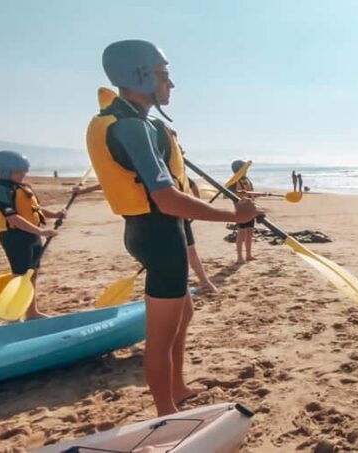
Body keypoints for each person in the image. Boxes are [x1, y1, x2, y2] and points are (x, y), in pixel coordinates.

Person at [86, 40, 260, 416]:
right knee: (160, 336)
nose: (172, 84)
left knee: (185, 313)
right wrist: (235, 217)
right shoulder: (131, 126)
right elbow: (166, 199)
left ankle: (177, 388)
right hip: (157, 234)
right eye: (165, 75)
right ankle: (166, 412)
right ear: (140, 75)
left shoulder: (137, 122)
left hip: (161, 232)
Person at [74, 180, 218, 293]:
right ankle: (182, 285)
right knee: (169, 258)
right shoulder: (151, 170)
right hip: (157, 221)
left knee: (190, 252)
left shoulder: (176, 169)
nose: (180, 151)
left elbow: (192, 186)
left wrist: (198, 204)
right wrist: (83, 190)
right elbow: (108, 183)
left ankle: (204, 280)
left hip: (180, 216)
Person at [0, 151, 63, 320]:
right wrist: (41, 231)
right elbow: (13, 217)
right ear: (5, 171)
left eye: (24, 171)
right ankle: (14, 314)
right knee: (21, 276)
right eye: (19, 172)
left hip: (32, 236)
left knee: (32, 274)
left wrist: (55, 214)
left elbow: (36, 210)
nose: (23, 175)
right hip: (15, 237)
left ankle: (31, 312)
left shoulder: (22, 188)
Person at [228, 160, 256, 263]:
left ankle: (248, 255)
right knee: (241, 233)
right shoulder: (234, 182)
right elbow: (233, 197)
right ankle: (239, 256)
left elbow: (251, 193)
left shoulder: (246, 179)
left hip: (251, 208)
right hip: (241, 210)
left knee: (250, 232)